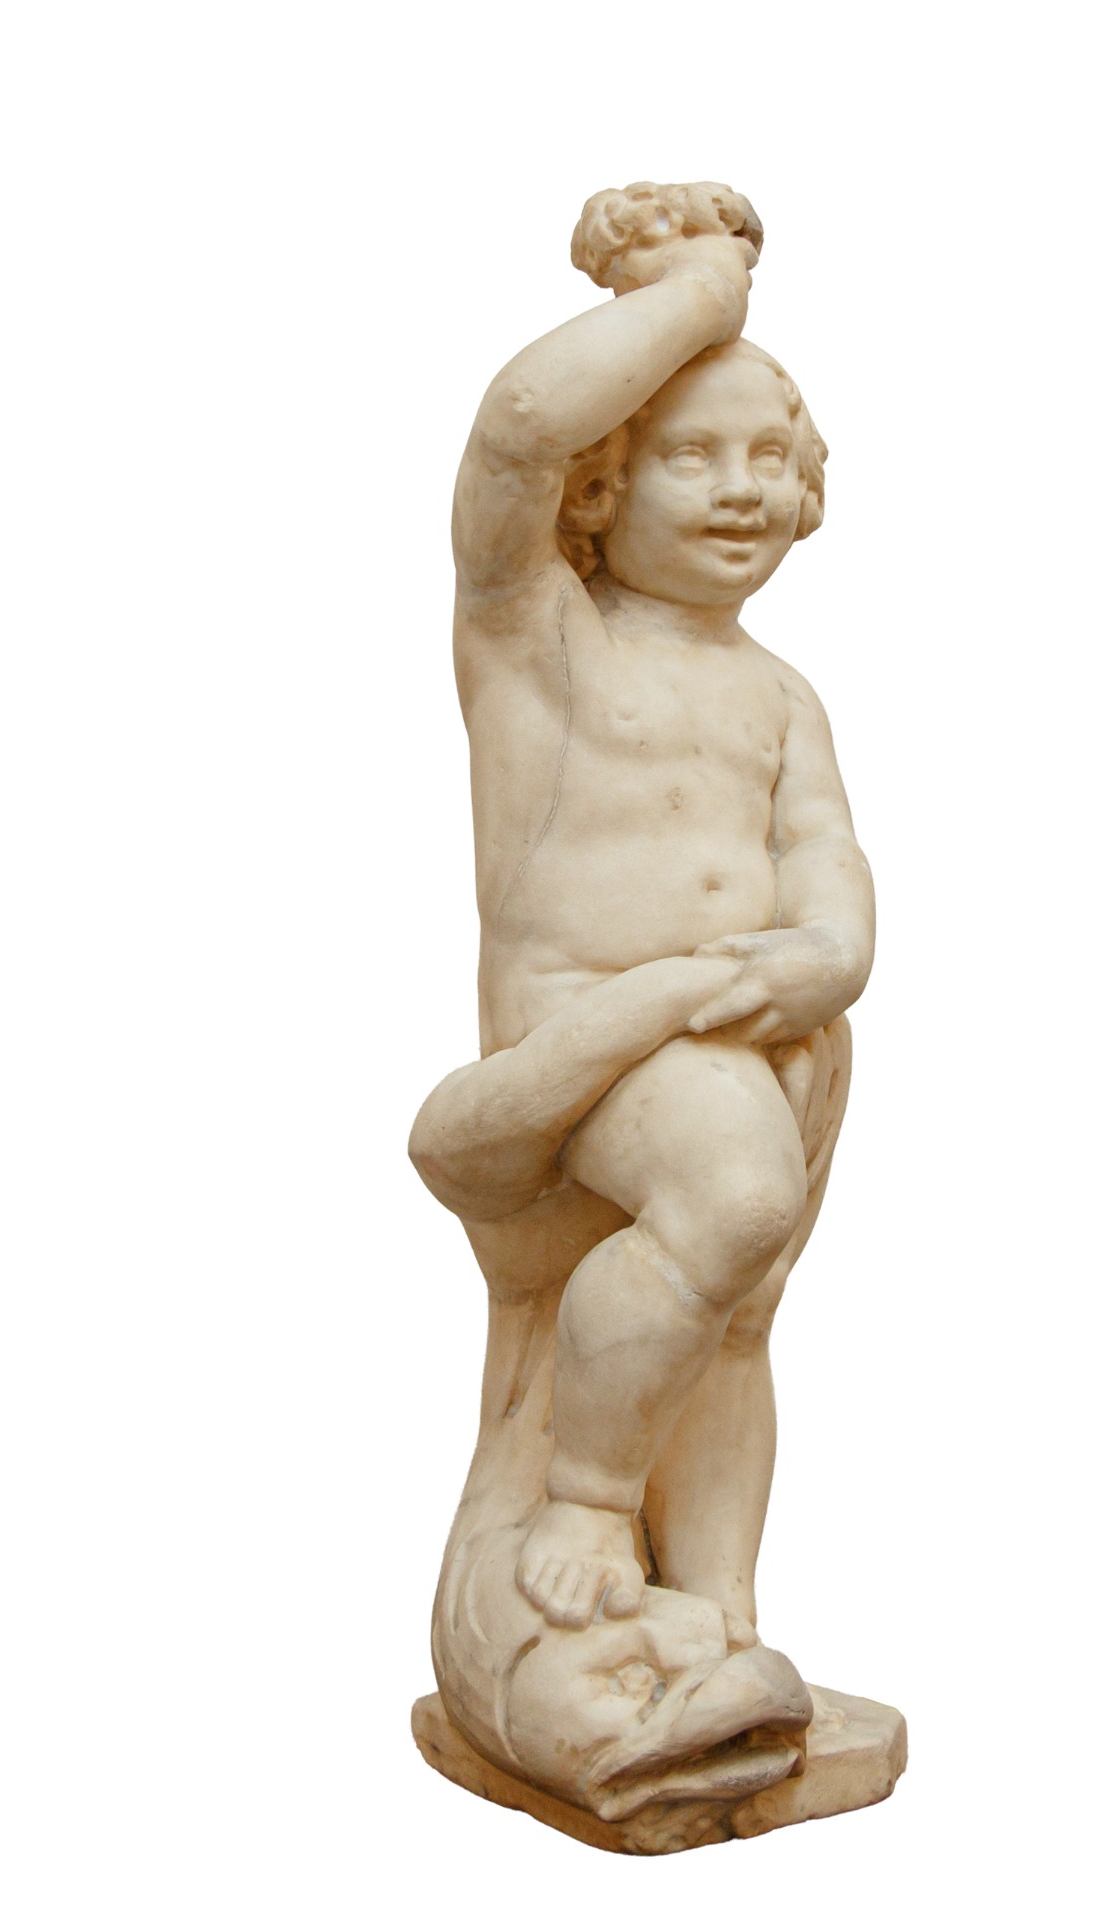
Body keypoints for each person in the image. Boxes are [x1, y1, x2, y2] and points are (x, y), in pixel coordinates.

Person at [440, 183, 875, 1631]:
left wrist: (832, 951)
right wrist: (696, 298)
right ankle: (584, 1496)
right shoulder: (535, 634)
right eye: (691, 454)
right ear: (601, 486)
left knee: (737, 1324)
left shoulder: (780, 692)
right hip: (596, 1031)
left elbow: (823, 849)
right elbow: (516, 429)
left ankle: (724, 1608)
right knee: (732, 1204)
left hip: (756, 1030)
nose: (742, 487)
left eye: (770, 456)